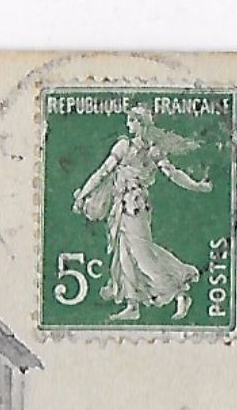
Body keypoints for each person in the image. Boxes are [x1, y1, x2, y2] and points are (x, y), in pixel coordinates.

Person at [72, 102, 213, 322]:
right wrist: (84, 194)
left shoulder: (146, 150)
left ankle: (178, 292)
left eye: (132, 120)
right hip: (122, 206)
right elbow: (103, 172)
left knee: (141, 254)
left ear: (141, 124)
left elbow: (172, 174)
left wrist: (196, 186)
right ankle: (132, 304)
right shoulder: (126, 146)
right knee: (125, 252)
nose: (128, 125)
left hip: (134, 206)